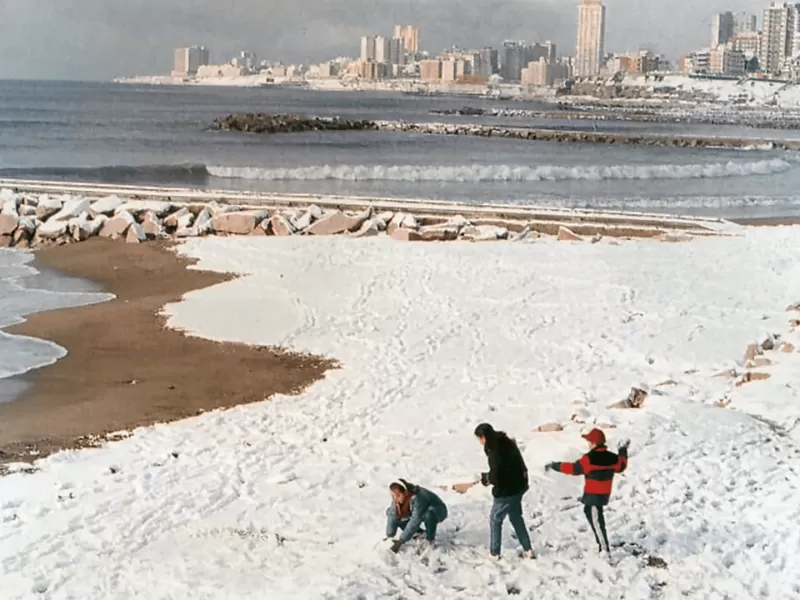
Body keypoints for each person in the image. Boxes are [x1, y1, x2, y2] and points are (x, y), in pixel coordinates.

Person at [545, 428, 630, 554]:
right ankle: (601, 543)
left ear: (594, 443)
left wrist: (555, 465)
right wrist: (622, 450)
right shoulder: (612, 458)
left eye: (589, 441)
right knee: (589, 512)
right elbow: (621, 465)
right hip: (602, 493)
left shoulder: (589, 459)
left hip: (594, 495)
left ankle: (604, 549)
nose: (588, 444)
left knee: (597, 520)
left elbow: (573, 468)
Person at [474, 423, 535, 560]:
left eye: (479, 439)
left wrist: (488, 478)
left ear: (483, 437)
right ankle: (527, 549)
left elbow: (498, 476)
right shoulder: (506, 442)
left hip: (507, 491)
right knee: (515, 517)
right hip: (519, 485)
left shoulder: (494, 451)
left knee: (495, 519)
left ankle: (494, 553)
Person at [385, 478, 448, 553]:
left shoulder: (418, 497)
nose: (395, 498)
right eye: (393, 495)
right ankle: (418, 532)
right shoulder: (397, 499)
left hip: (438, 510)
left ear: (405, 492)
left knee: (428, 515)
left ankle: (430, 540)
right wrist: (389, 535)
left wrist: (401, 541)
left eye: (398, 495)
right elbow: (392, 515)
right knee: (394, 514)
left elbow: (415, 520)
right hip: (419, 511)